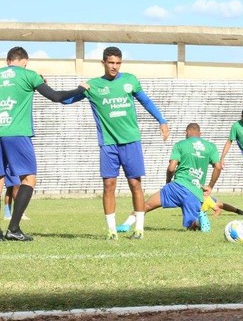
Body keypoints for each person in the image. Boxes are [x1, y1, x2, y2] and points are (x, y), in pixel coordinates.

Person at [63, 46, 169, 240]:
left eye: (118, 63)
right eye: (111, 63)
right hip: (108, 143)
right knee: (109, 185)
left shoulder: (130, 80)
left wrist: (161, 120)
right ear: (103, 63)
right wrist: (49, 87)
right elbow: (66, 100)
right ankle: (111, 231)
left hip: (131, 141)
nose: (114, 67)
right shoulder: (93, 86)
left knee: (135, 184)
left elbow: (146, 101)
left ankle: (139, 229)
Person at [0, 46, 88, 241]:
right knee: (29, 179)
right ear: (24, 61)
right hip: (16, 133)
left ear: (8, 61)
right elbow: (55, 97)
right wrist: (79, 90)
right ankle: (13, 229)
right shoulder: (29, 74)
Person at [117, 123, 222, 232]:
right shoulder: (211, 147)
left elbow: (171, 168)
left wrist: (168, 181)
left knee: (146, 205)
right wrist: (210, 186)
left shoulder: (180, 145)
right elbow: (218, 167)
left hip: (177, 186)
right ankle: (199, 221)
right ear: (200, 133)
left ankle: (126, 224)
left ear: (186, 132)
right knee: (191, 225)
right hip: (195, 192)